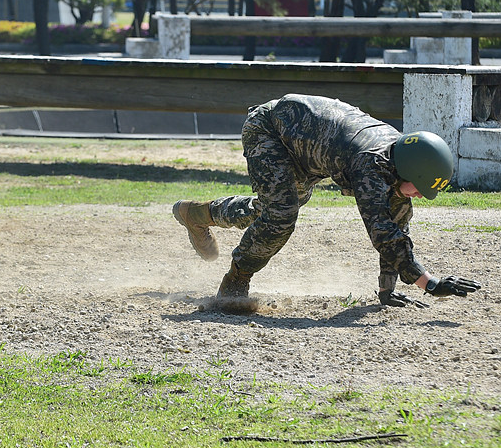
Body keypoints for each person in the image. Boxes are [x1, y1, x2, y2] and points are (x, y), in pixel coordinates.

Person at [172, 94, 482, 307]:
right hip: (270, 130)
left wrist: (387, 289)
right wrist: (429, 283)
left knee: (271, 211)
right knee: (280, 213)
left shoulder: (398, 158)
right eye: (420, 187)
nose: (418, 195)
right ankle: (235, 282)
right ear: (411, 169)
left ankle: (198, 215)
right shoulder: (370, 164)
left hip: (306, 151)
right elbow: (383, 233)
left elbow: (395, 222)